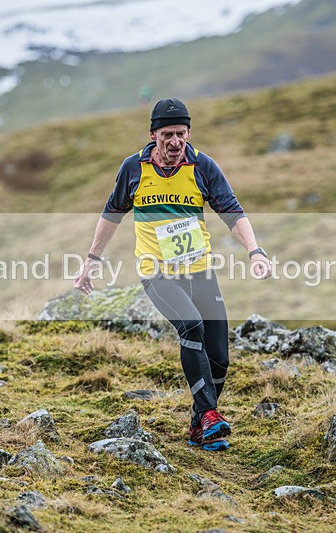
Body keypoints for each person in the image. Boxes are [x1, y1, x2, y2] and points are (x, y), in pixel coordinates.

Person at [74, 97, 272, 451]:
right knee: (191, 325)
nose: (175, 141)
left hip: (199, 271)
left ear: (188, 133)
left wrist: (254, 250)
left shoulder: (202, 167)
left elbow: (232, 211)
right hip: (156, 272)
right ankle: (211, 414)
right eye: (168, 134)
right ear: (153, 135)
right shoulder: (133, 169)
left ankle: (199, 426)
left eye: (181, 133)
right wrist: (92, 259)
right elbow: (112, 214)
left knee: (220, 358)